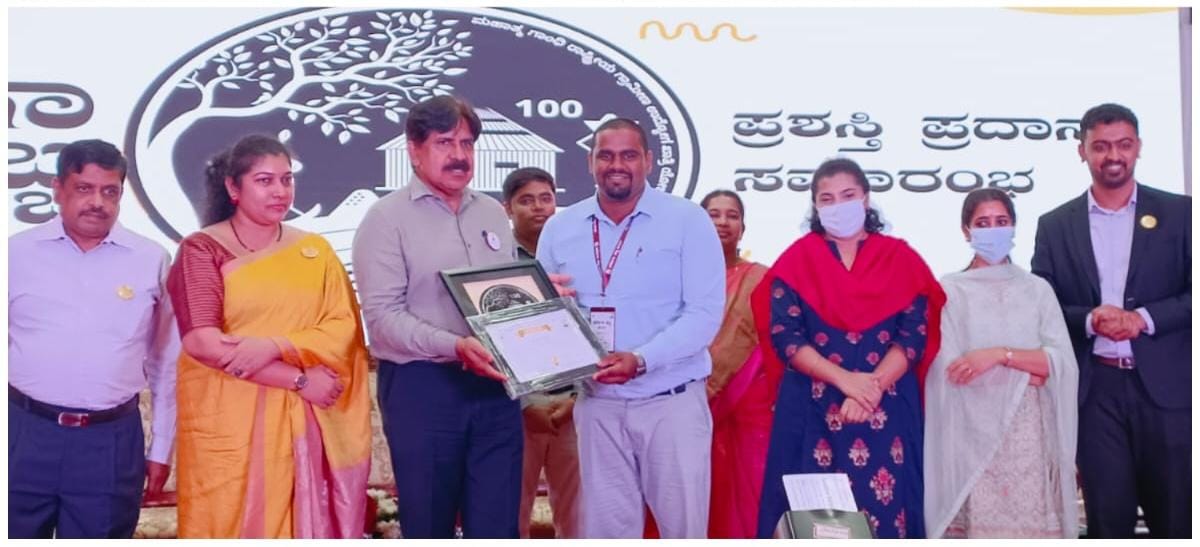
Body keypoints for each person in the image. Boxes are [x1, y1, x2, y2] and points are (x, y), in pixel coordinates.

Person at [167, 135, 371, 538]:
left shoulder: (315, 251)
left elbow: (343, 327)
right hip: (229, 424)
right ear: (233, 187)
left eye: (286, 179)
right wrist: (298, 379)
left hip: (306, 425)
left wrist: (276, 346)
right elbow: (203, 343)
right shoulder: (203, 250)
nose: (280, 191)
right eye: (265, 181)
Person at [537, 118, 725, 538]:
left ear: (648, 161)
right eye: (605, 155)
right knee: (607, 533)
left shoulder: (687, 220)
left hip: (670, 403)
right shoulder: (560, 228)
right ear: (590, 162)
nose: (616, 165)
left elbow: (704, 315)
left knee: (683, 531)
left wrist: (641, 360)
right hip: (597, 404)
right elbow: (546, 315)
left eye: (628, 155)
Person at [353, 96, 524, 539]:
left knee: (498, 526)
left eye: (467, 144)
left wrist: (538, 302)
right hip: (423, 389)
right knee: (429, 523)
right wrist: (455, 346)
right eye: (445, 142)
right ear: (414, 149)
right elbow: (383, 318)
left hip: (496, 388)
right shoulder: (385, 219)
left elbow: (500, 299)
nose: (459, 155)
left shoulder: (492, 213)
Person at [754, 158, 945, 539]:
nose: (838, 206)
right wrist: (846, 381)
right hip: (814, 409)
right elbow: (786, 337)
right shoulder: (797, 260)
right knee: (813, 522)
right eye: (827, 199)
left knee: (890, 517)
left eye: (847, 195)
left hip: (886, 408)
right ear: (815, 206)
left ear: (866, 199)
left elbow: (913, 336)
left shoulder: (901, 258)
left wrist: (870, 388)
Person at [1031, 103, 1191, 538]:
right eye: (1100, 147)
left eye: (1123, 144)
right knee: (1108, 522)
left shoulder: (1182, 214)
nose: (1113, 156)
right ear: (1081, 151)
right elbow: (1042, 305)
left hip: (1169, 394)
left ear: (1138, 147)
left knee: (1177, 521)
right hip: (1095, 393)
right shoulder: (1055, 225)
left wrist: (1142, 319)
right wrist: (1090, 320)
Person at [8, 139, 179, 538]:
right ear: (58, 189)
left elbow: (166, 363)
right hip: (22, 431)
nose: (97, 202)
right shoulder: (14, 253)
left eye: (110, 191)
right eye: (84, 188)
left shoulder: (151, 258)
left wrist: (161, 447)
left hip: (110, 442)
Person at [924, 188, 1079, 538]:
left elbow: (1059, 364)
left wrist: (996, 355)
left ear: (1013, 226)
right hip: (972, 442)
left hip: (1029, 438)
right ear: (966, 231)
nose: (993, 230)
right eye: (983, 223)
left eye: (1001, 221)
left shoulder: (1037, 290)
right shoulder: (950, 290)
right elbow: (952, 372)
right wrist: (1027, 368)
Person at [501, 167, 581, 539]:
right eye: (526, 200)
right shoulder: (495, 262)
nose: (538, 208)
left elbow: (595, 327)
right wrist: (526, 403)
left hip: (574, 408)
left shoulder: (577, 257)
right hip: (516, 411)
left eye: (546, 198)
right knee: (510, 517)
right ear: (507, 208)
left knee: (580, 519)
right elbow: (490, 338)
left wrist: (577, 398)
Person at [701, 189, 774, 539]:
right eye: (713, 214)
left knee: (748, 495)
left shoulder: (761, 278)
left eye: (732, 216)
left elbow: (770, 344)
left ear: (743, 228)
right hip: (689, 402)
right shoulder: (677, 278)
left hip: (747, 406)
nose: (722, 222)